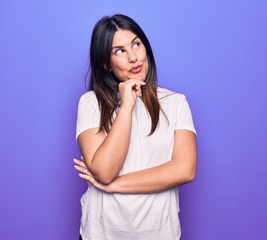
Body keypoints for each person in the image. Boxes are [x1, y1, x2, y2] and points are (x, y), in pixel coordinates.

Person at [74, 14, 197, 240]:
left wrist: (115, 186)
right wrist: (126, 106)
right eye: (119, 51)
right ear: (105, 63)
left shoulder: (176, 102)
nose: (133, 57)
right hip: (101, 234)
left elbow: (184, 170)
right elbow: (104, 170)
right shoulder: (90, 103)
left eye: (136, 45)